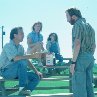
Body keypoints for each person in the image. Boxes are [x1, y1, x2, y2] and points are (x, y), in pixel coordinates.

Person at [0, 27, 42, 96]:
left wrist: (36, 71)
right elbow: (15, 58)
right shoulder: (8, 46)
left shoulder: (21, 47)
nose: (23, 35)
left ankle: (22, 93)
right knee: (21, 62)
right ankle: (22, 89)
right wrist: (32, 56)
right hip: (6, 72)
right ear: (15, 35)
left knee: (36, 77)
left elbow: (27, 60)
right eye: (21, 33)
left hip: (18, 72)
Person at [65, 8, 96, 97]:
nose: (67, 20)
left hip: (81, 58)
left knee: (79, 88)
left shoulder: (77, 25)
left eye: (67, 16)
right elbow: (94, 45)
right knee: (89, 86)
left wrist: (73, 62)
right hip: (90, 58)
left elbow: (77, 44)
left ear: (73, 16)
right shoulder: (90, 27)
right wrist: (89, 56)